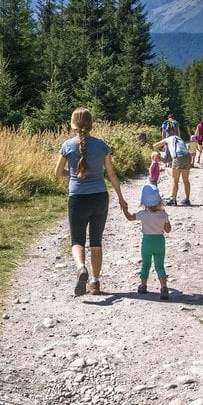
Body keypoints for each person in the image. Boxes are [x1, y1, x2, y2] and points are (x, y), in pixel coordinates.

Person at [54, 107, 128, 296]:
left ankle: (81, 268)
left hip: (77, 198)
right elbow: (111, 174)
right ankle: (94, 282)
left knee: (77, 240)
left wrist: (73, 174)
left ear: (72, 123)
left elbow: (57, 172)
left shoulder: (67, 145)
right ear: (91, 123)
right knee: (96, 241)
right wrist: (121, 197)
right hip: (100, 197)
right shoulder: (102, 145)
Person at [123, 183, 172, 300]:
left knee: (146, 264)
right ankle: (164, 287)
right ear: (159, 201)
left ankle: (143, 285)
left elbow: (130, 217)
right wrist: (165, 221)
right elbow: (168, 230)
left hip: (147, 242)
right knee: (160, 265)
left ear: (144, 202)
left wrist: (124, 209)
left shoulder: (142, 214)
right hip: (159, 241)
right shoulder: (163, 214)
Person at [153, 134, 192, 205]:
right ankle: (187, 199)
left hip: (178, 156)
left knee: (175, 180)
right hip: (187, 156)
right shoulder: (180, 139)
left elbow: (154, 146)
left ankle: (173, 200)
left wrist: (158, 154)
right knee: (186, 180)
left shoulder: (168, 139)